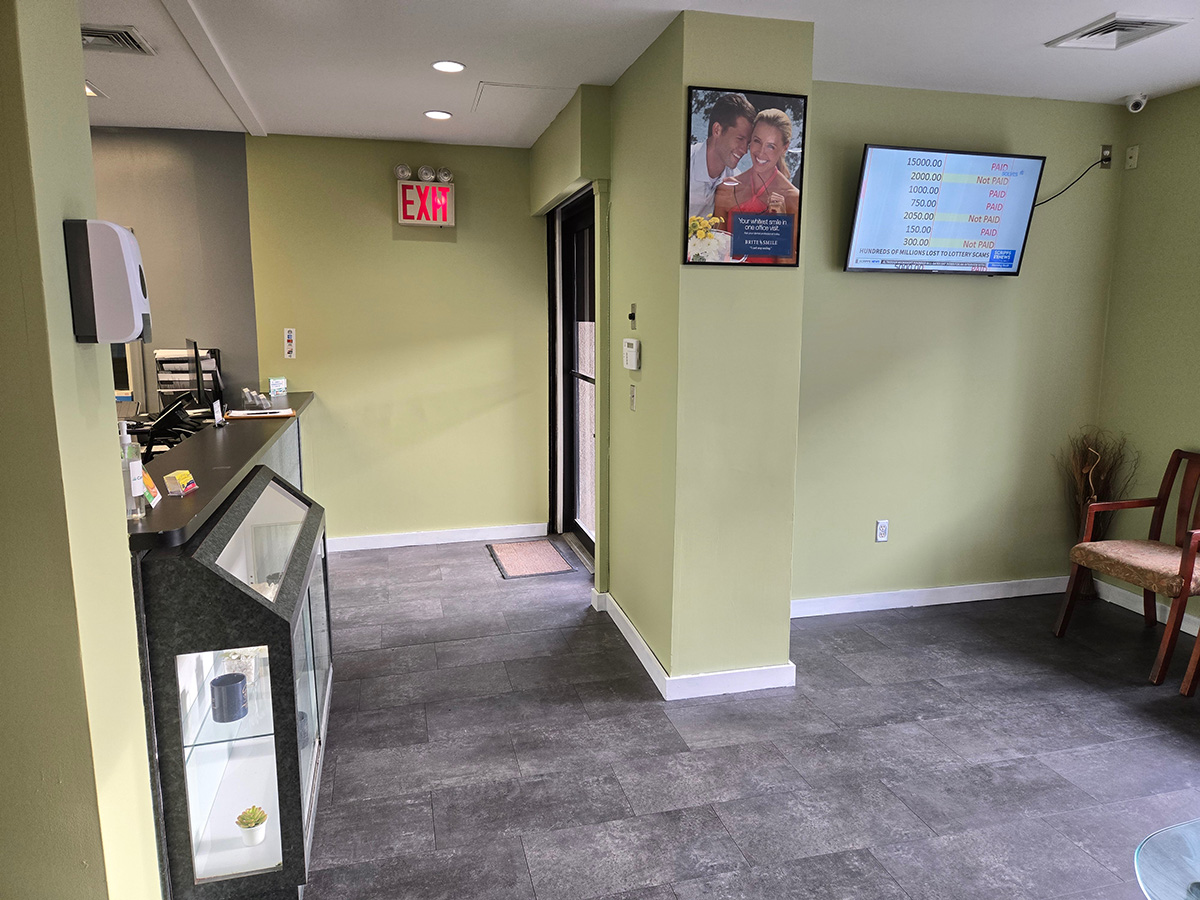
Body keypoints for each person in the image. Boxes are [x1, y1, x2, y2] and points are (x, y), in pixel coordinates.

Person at [712, 109, 800, 264]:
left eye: (771, 146)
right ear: (750, 140)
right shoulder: (726, 189)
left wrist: (781, 222)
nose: (760, 152)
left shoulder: (793, 197)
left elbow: (789, 270)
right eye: (757, 141)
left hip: (770, 286)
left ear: (785, 148)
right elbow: (715, 255)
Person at [688, 93, 755, 218]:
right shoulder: (681, 166)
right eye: (740, 138)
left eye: (748, 143)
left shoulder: (735, 180)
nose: (745, 150)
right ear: (717, 130)